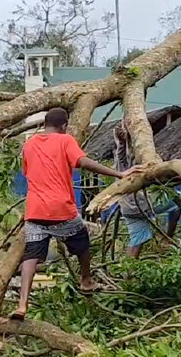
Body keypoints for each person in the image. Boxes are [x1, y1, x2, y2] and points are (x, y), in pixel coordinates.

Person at [12, 107, 137, 320]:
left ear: (44, 124)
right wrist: (118, 173)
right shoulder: (65, 140)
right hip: (61, 209)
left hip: (34, 211)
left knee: (31, 256)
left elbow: (28, 171)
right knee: (82, 242)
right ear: (64, 125)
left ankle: (22, 304)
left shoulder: (29, 144)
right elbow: (83, 162)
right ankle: (86, 279)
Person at [112, 125, 181, 258]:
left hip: (127, 209)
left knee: (138, 239)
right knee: (179, 199)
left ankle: (127, 272)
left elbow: (120, 151)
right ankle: (167, 239)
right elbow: (122, 152)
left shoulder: (120, 163)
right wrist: (122, 140)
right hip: (140, 204)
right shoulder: (127, 162)